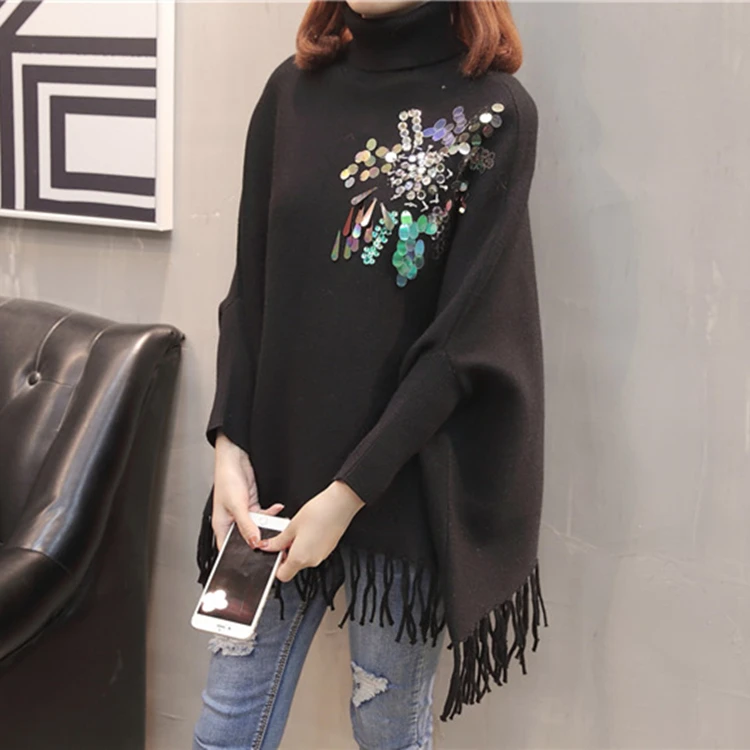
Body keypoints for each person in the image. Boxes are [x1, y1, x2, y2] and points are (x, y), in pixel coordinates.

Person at [193, 1, 548, 748]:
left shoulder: (493, 113)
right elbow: (249, 290)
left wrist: (348, 494)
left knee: (386, 729)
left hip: (400, 482)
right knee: (225, 725)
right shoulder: (290, 92)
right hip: (276, 477)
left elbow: (465, 339)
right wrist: (229, 444)